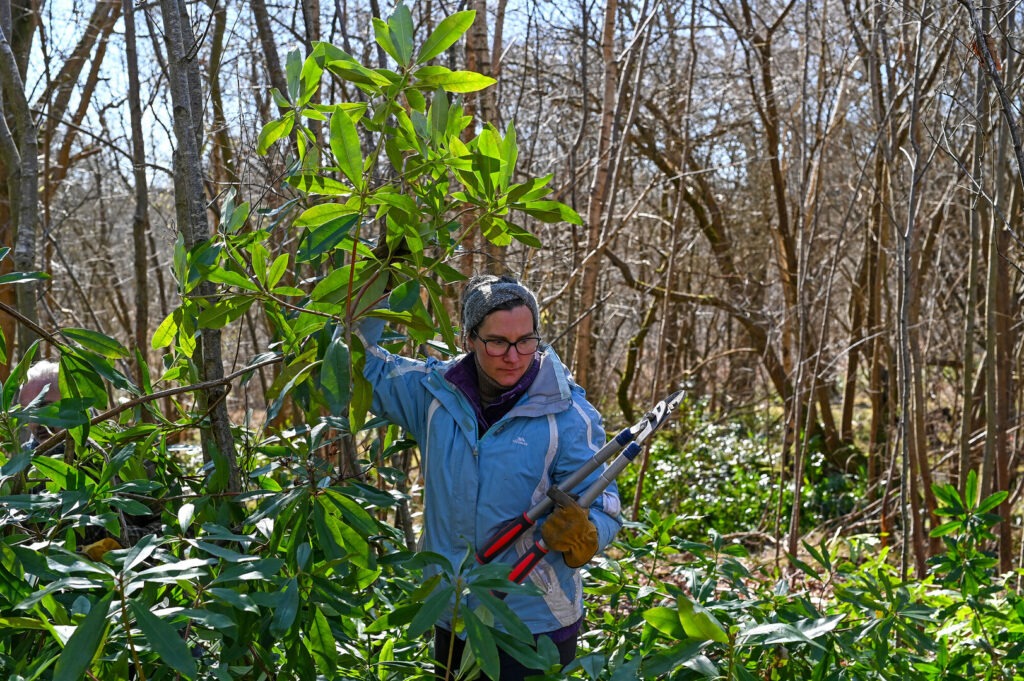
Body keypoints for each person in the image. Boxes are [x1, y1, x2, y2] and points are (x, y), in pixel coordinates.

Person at [358, 274, 622, 680]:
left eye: (526, 340)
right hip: (455, 611)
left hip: (537, 623)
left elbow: (604, 506)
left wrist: (588, 535)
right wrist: (384, 276)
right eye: (497, 341)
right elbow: (354, 362)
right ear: (468, 338)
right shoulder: (431, 395)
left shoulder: (568, 415)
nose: (513, 356)